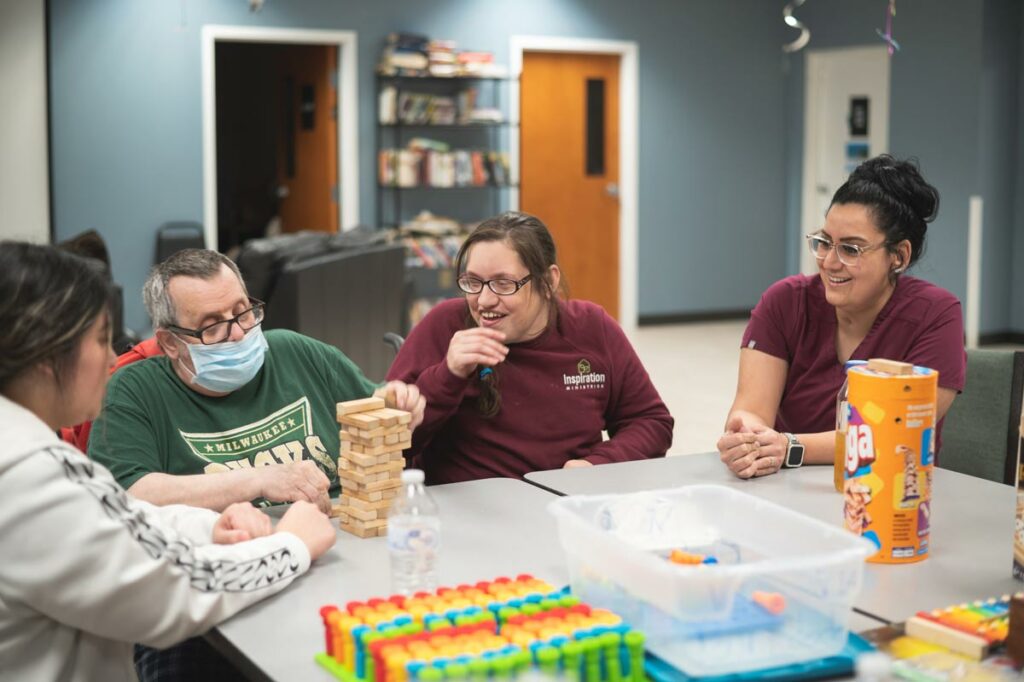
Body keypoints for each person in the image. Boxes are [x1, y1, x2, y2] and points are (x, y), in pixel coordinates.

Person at [0, 241, 337, 681]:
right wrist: (289, 545)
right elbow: (172, 596)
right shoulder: (25, 480)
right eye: (101, 340)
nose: (109, 360)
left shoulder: (29, 452)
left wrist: (208, 529)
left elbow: (116, 517)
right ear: (47, 356)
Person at [88, 248, 425, 512]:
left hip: (347, 542)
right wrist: (259, 480)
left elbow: (374, 410)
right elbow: (129, 494)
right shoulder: (134, 391)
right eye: (212, 325)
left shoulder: (297, 352)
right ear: (170, 344)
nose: (238, 333)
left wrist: (397, 406)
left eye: (242, 311)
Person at [717, 155, 965, 479]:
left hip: (890, 498)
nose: (829, 262)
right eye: (824, 243)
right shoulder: (785, 302)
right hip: (786, 493)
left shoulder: (935, 316)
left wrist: (789, 447)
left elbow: (892, 435)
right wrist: (747, 436)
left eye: (850, 249)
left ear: (898, 256)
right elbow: (750, 409)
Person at [386, 211, 673, 483]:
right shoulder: (444, 325)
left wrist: (596, 466)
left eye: (503, 283)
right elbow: (388, 448)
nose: (483, 301)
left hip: (562, 510)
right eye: (473, 282)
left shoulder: (591, 327)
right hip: (465, 516)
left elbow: (651, 422)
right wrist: (449, 375)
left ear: (548, 282)